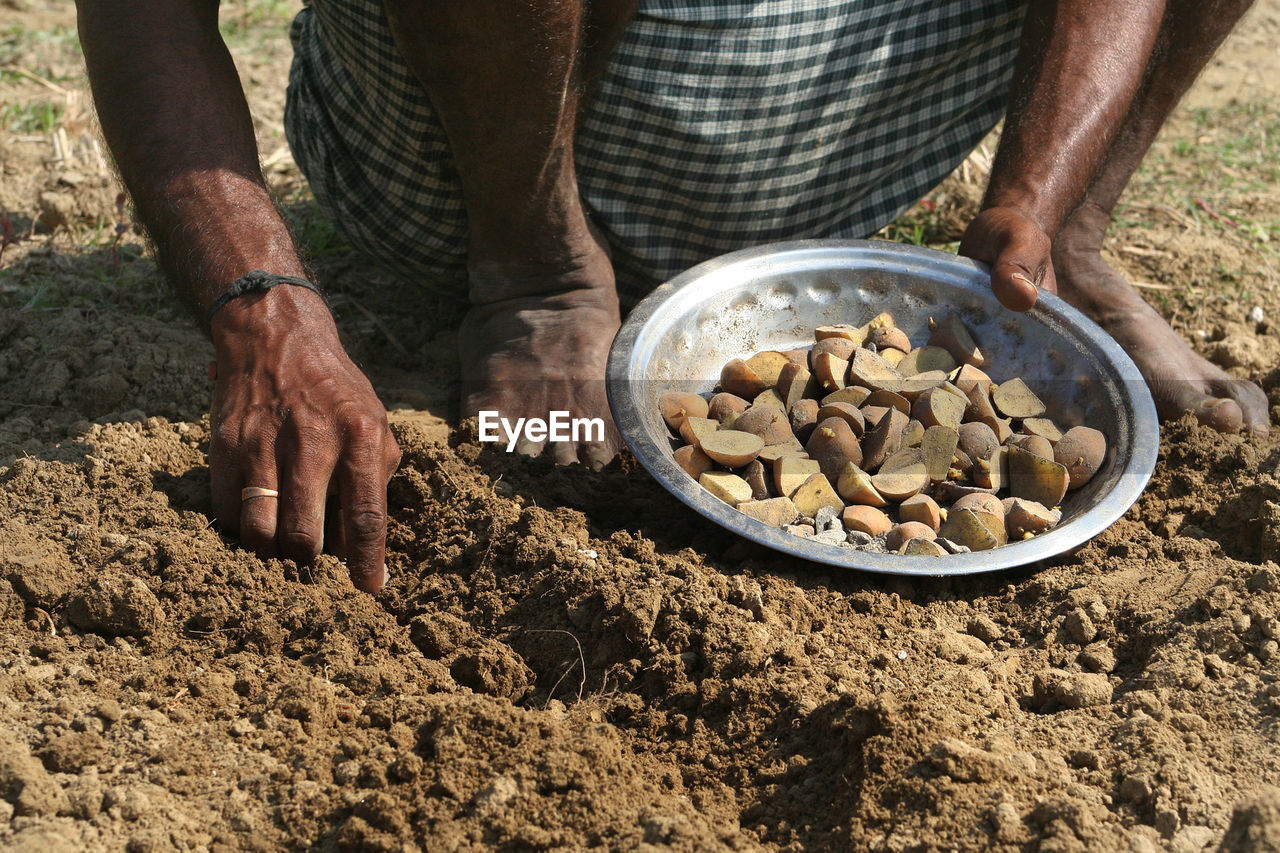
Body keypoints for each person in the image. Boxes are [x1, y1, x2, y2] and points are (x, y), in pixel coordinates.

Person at [76, 0, 1267, 593]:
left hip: (852, 113)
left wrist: (1037, 200)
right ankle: (534, 266)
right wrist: (261, 300)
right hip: (475, 121)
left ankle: (1069, 247)